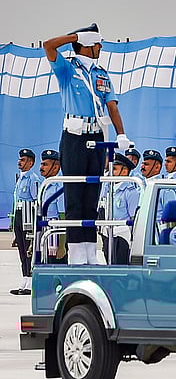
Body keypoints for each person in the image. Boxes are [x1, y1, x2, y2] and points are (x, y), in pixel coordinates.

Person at [43, 23, 132, 266]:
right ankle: (75, 252)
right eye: (97, 42)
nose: (101, 46)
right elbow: (48, 45)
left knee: (92, 195)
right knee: (74, 195)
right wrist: (75, 36)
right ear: (87, 45)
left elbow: (111, 104)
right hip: (74, 137)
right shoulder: (67, 69)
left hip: (97, 137)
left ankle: (90, 250)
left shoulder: (101, 73)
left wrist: (121, 133)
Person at [10, 149, 42, 295]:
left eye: (23, 160)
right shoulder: (20, 178)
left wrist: (35, 223)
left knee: (29, 248)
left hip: (28, 215)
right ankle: (24, 277)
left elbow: (36, 201)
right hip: (19, 214)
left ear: (30, 162)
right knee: (21, 248)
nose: (19, 162)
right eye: (19, 159)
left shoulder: (32, 179)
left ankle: (30, 280)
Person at [101, 154, 141, 264]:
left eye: (114, 169)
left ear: (124, 172)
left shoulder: (130, 192)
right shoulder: (108, 188)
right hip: (107, 233)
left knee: (120, 264)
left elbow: (134, 218)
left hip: (122, 234)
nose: (110, 172)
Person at [39, 149, 67, 265]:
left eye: (45, 164)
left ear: (56, 167)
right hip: (45, 229)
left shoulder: (60, 185)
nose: (41, 167)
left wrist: (61, 246)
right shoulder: (44, 184)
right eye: (41, 164)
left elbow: (63, 217)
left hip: (55, 233)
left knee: (57, 266)